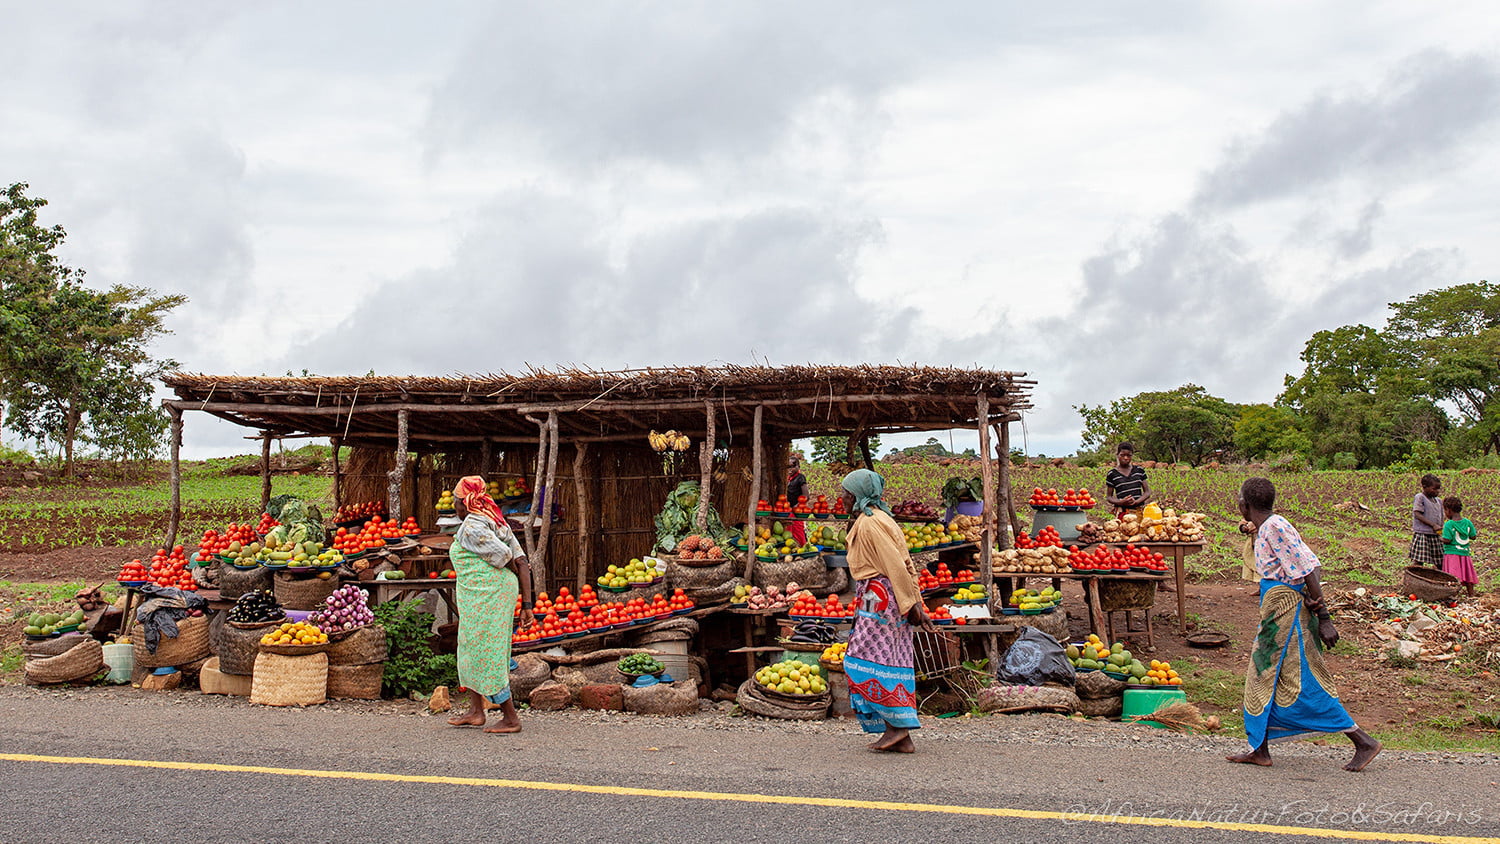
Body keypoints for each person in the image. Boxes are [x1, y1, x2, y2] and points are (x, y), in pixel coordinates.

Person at [1228, 477, 1381, 773]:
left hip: (1286, 614)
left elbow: (1309, 567)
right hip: (1278, 610)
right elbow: (1305, 563)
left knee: (1297, 679)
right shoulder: (1267, 527)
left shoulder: (1275, 527)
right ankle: (1259, 748)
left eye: (1239, 501)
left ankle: (1363, 741)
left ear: (1244, 505)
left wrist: (1324, 617)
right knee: (1267, 677)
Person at [840, 468, 932, 754]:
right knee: (890, 656)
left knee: (860, 658)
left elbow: (895, 566)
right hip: (877, 594)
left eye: (845, 493)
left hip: (879, 597)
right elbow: (905, 562)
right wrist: (913, 600)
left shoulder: (871, 524)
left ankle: (898, 726)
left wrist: (911, 604)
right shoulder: (877, 519)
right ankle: (897, 732)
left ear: (857, 495)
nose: (841, 498)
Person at [445, 475, 535, 734]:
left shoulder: (473, 526)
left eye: (456, 501)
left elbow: (507, 557)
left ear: (466, 502)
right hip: (480, 595)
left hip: (490, 595)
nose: (454, 506)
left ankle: (510, 718)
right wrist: (527, 603)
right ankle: (476, 711)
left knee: (488, 651)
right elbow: (522, 562)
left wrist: (521, 599)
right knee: (470, 645)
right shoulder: (494, 519)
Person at [1441, 497, 1477, 598]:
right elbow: (1473, 536)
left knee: (1453, 576)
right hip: (1465, 553)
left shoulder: (1449, 524)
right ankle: (1471, 595)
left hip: (1452, 553)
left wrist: (1440, 538)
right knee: (1467, 574)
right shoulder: (1468, 522)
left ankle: (1453, 596)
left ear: (1448, 510)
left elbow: (1447, 540)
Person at [1104, 442, 1153, 517]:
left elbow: (1147, 492)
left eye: (1128, 455)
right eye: (1122, 455)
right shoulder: (1112, 474)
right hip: (1122, 512)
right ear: (1117, 455)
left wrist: (1136, 502)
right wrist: (1121, 502)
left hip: (1139, 510)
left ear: (1132, 456)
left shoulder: (1139, 471)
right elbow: (1109, 497)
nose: (1126, 458)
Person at [1409, 474, 1444, 569]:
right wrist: (1433, 525)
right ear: (1425, 487)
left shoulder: (1439, 501)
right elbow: (1417, 514)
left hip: (1435, 534)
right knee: (1419, 560)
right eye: (1434, 489)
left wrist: (1441, 528)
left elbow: (1441, 516)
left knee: (1440, 560)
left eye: (1438, 489)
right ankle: (1414, 577)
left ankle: (1439, 577)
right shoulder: (1420, 497)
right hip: (1423, 534)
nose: (1437, 492)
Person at [785, 454, 809, 545]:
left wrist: (797, 505)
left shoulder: (800, 478)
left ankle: (801, 548)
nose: (790, 470)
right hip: (788, 510)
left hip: (797, 510)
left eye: (792, 467)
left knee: (798, 531)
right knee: (788, 532)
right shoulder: (788, 479)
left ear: (798, 467)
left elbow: (806, 496)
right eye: (788, 467)